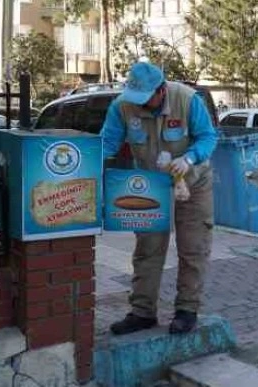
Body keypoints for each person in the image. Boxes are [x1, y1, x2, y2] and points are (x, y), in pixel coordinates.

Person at [101, 62, 217, 335]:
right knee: (148, 250)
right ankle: (142, 312)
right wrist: (91, 167)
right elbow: (107, 144)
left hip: (192, 182)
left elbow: (208, 137)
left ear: (161, 90)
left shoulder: (187, 100)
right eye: (136, 98)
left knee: (193, 247)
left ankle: (187, 310)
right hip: (150, 186)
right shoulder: (122, 106)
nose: (140, 105)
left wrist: (189, 158)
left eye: (146, 99)